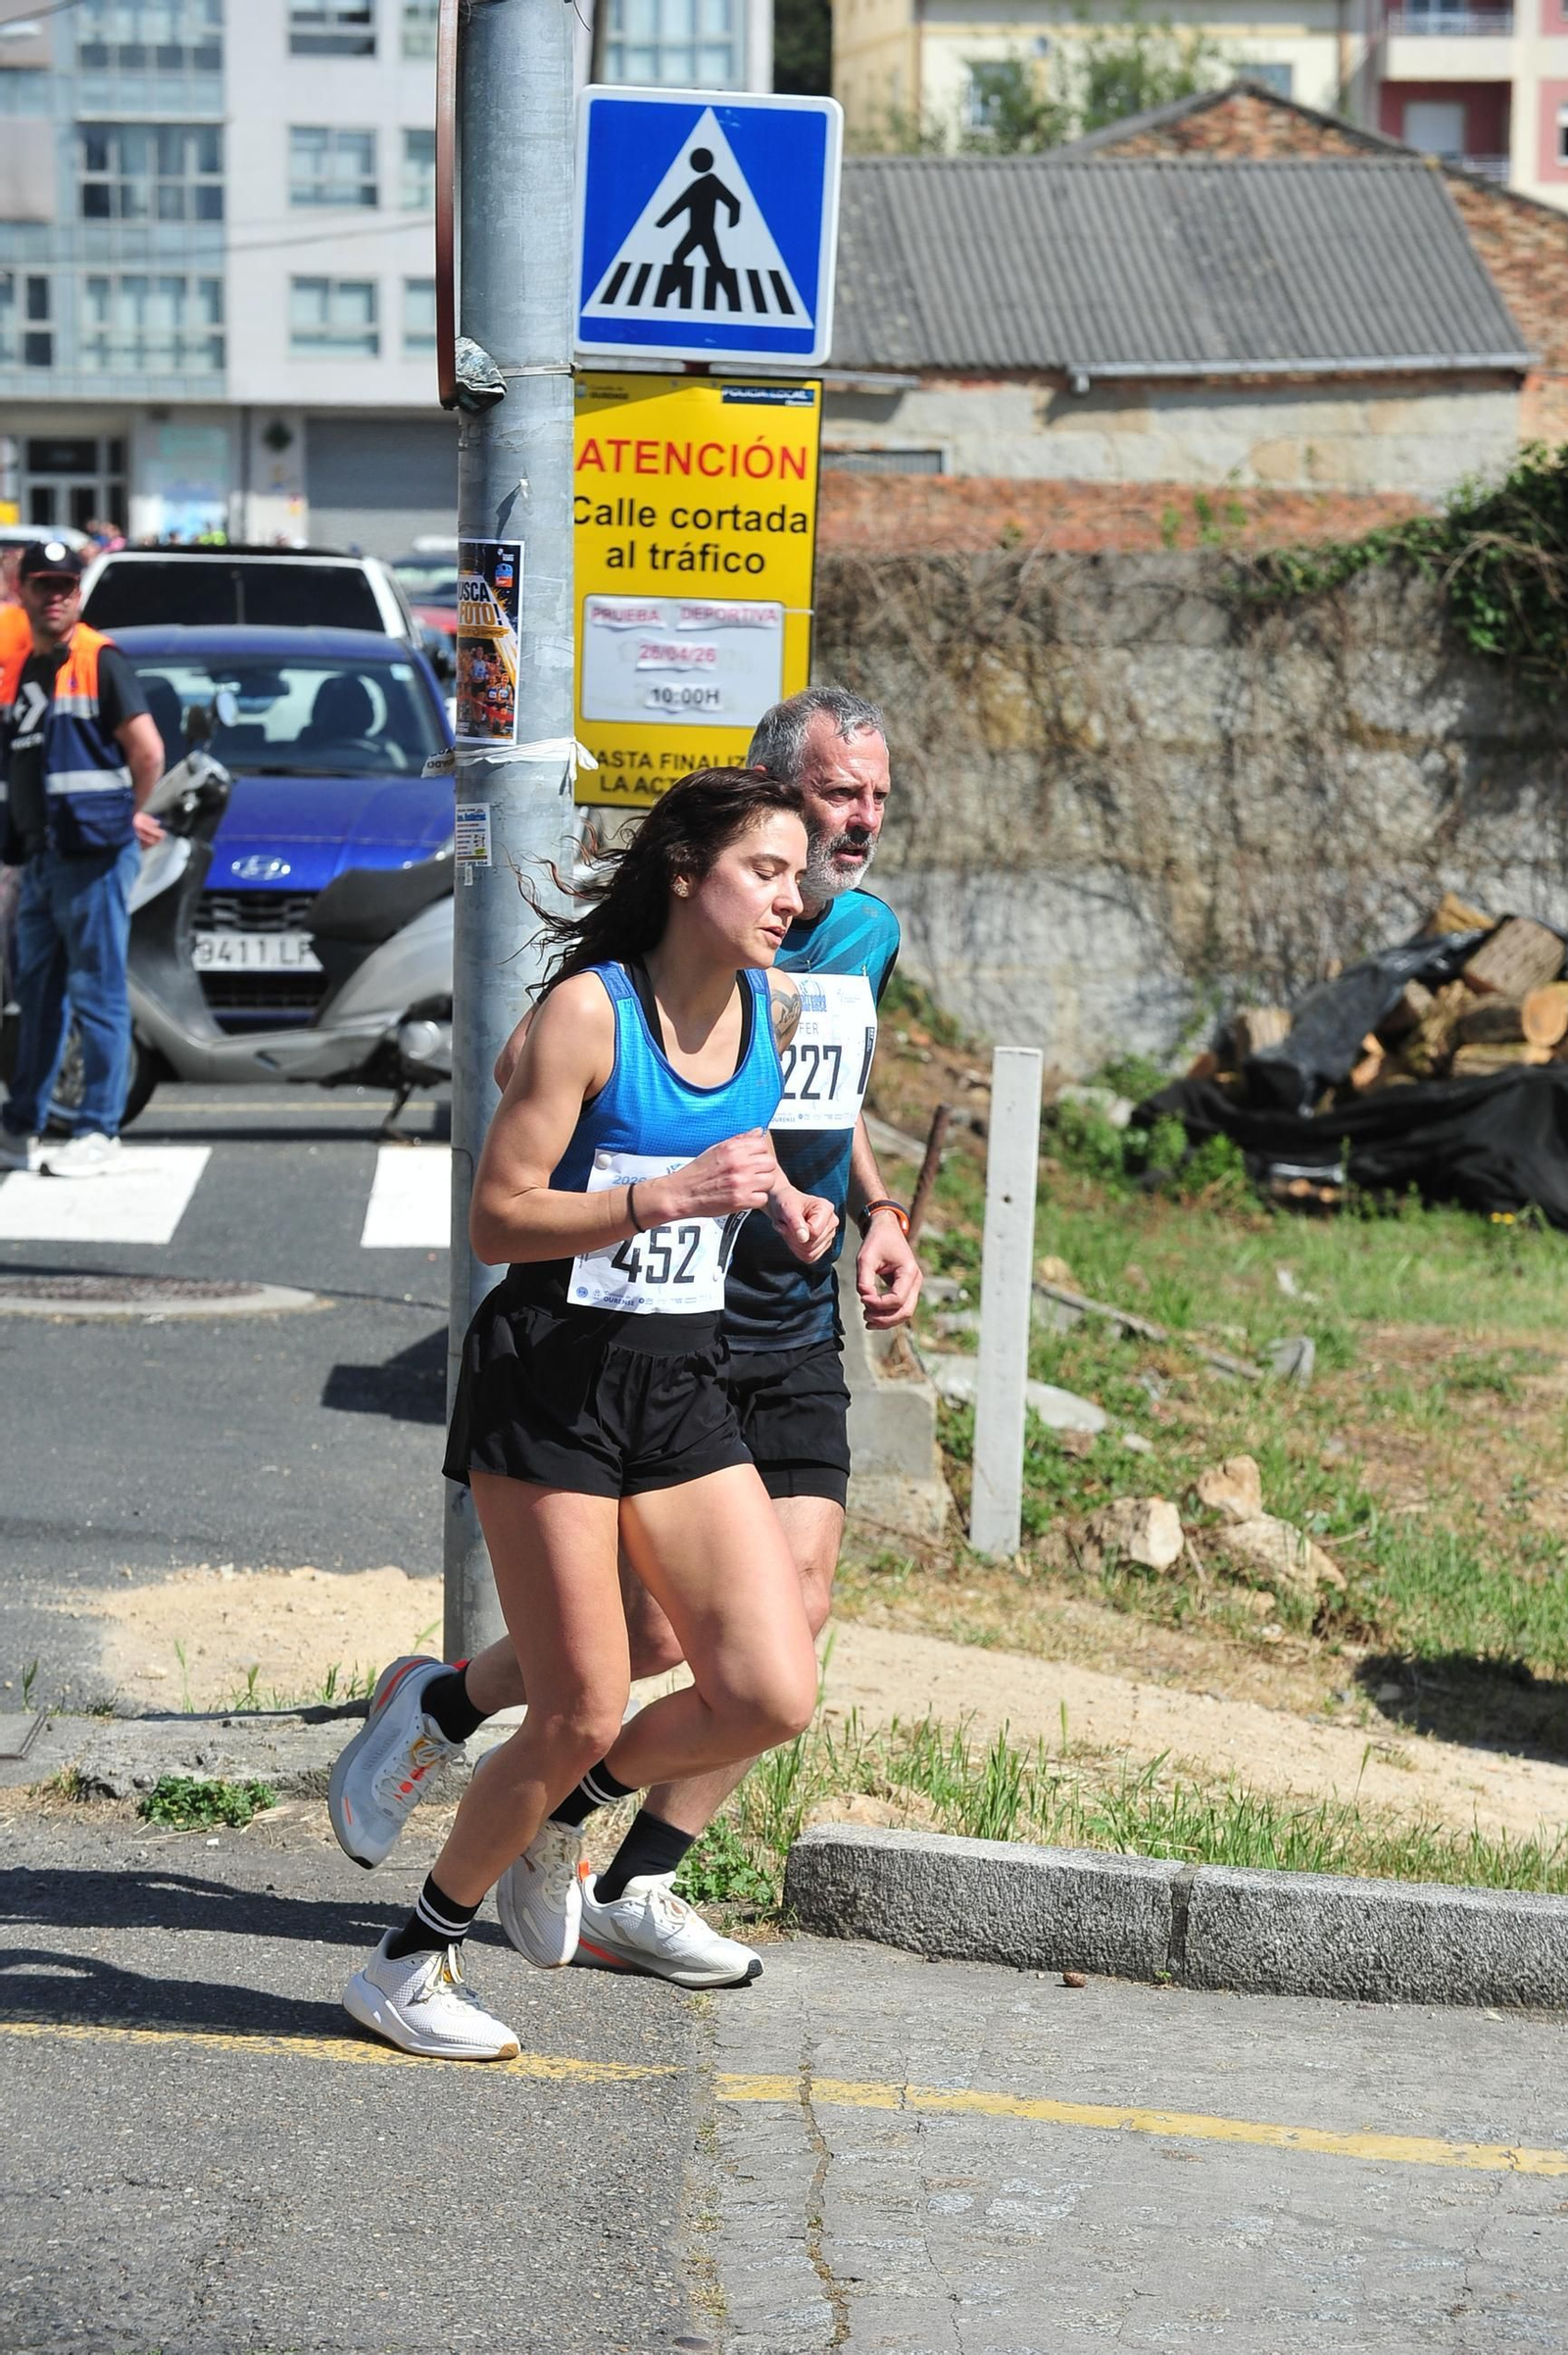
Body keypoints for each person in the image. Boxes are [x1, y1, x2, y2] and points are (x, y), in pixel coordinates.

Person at [329, 687, 920, 1989]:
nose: (806, 875)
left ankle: (583, 1832)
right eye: (774, 857)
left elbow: (773, 1131)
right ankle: (417, 1931)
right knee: (598, 1679)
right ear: (697, 864)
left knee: (773, 1663)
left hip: (716, 1353)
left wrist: (813, 1201)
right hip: (567, 1367)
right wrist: (663, 1191)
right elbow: (501, 1204)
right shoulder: (601, 1005)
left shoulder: (786, 992)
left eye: (862, 807)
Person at [0, 540, 165, 1177]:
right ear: (22, 590)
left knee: (95, 993)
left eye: (67, 583)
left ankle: (98, 1129)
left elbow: (146, 751)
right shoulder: (28, 666)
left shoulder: (98, 658)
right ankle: (21, 1126)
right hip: (41, 857)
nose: (57, 595)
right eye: (44, 583)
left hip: (93, 854)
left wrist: (125, 814)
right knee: (37, 998)